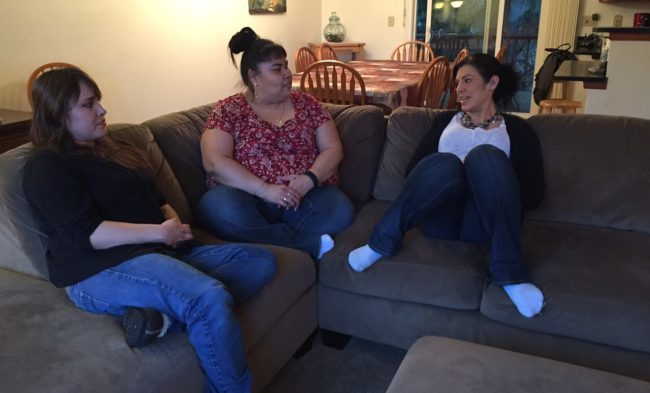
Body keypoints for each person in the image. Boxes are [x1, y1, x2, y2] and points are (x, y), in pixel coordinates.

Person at [23, 67, 277, 393]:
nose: (102, 110)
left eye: (98, 100)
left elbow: (157, 199)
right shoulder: (47, 165)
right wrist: (159, 233)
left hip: (157, 252)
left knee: (259, 261)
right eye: (88, 104)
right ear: (57, 114)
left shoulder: (112, 147)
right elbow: (87, 234)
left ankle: (162, 319)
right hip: (98, 269)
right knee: (208, 297)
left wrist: (175, 226)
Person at [348, 53, 546, 318]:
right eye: (456, 84)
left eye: (467, 80)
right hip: (439, 218)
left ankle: (510, 275)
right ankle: (380, 243)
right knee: (444, 163)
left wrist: (490, 178)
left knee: (485, 157)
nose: (459, 90)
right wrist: (457, 173)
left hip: (485, 222)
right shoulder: (443, 122)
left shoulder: (518, 130)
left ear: (492, 83)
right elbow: (413, 176)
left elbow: (534, 194)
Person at [197, 27, 354, 260]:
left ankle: (267, 240)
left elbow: (332, 149)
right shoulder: (228, 110)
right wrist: (265, 190)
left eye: (286, 65)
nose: (288, 74)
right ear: (254, 77)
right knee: (215, 207)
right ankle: (305, 244)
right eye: (277, 69)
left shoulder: (308, 104)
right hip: (247, 198)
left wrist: (309, 180)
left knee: (340, 209)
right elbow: (214, 162)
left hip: (304, 198)